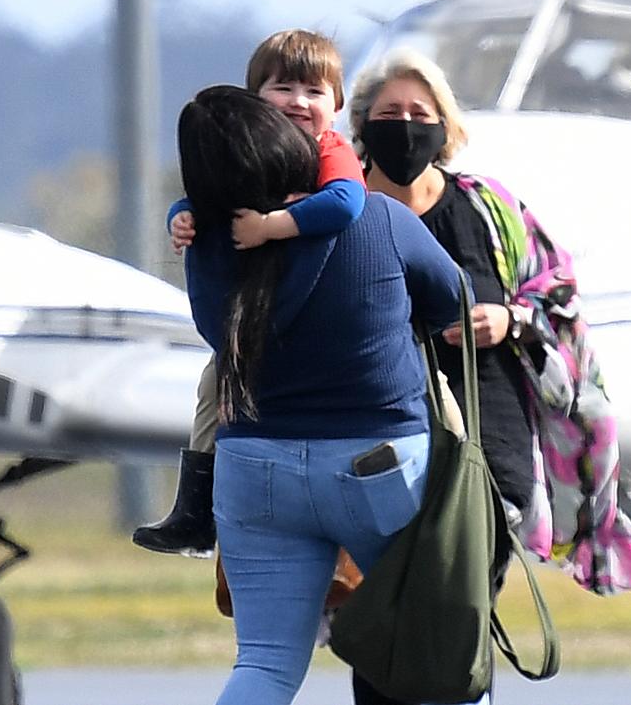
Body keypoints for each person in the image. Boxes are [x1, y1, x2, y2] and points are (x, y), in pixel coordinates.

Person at [177, 84, 464, 705]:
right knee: (434, 650)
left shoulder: (207, 247)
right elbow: (451, 300)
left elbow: (214, 332)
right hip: (380, 462)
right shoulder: (381, 218)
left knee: (264, 666)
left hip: (254, 465)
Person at [348, 49, 631, 598]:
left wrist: (511, 320)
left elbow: (557, 290)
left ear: (445, 125)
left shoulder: (487, 209)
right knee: (383, 621)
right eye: (391, 114)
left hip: (488, 449)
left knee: (462, 613)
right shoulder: (340, 212)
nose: (408, 126)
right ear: (364, 125)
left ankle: (457, 684)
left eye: (422, 113)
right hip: (373, 443)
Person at [134, 29, 364, 557]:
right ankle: (194, 510)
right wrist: (182, 218)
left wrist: (274, 225)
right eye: (283, 88)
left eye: (314, 92)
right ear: (253, 98)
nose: (298, 103)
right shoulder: (239, 152)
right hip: (251, 319)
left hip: (322, 317)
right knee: (214, 385)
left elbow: (348, 203)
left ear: (337, 105)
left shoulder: (332, 151)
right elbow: (196, 196)